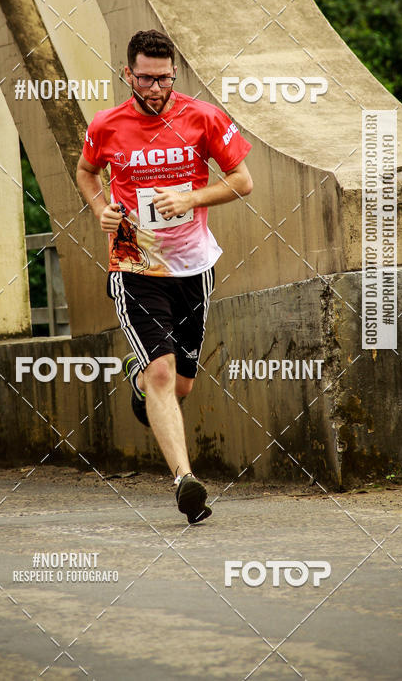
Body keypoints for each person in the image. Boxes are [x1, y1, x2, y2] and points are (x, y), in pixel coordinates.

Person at [76, 29, 253, 523]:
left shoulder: (202, 116)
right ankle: (185, 481)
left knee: (181, 386)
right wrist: (100, 212)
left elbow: (243, 181)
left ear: (174, 74)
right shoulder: (107, 124)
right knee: (161, 370)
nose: (155, 88)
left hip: (194, 267)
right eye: (145, 78)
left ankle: (140, 387)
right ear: (127, 74)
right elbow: (86, 172)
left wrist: (192, 198)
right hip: (135, 266)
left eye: (163, 78)